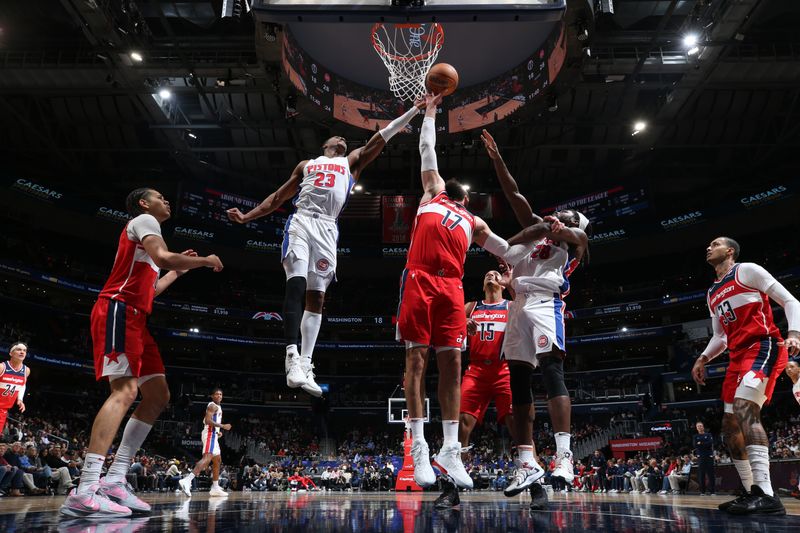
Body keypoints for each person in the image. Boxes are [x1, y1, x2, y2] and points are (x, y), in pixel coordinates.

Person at [399, 93, 562, 493]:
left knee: (453, 365)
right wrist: (431, 113)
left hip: (452, 287)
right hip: (419, 279)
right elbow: (426, 148)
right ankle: (419, 445)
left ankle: (450, 449)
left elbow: (507, 251)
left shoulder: (473, 222)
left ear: (468, 200)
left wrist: (540, 230)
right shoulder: (432, 192)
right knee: (417, 362)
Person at [226, 100, 428, 397]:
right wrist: (247, 216)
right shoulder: (306, 165)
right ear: (325, 145)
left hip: (328, 228)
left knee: (317, 298)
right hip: (302, 222)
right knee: (295, 284)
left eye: (346, 139)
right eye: (338, 137)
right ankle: (291, 356)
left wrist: (413, 111)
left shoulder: (352, 163)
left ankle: (306, 363)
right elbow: (277, 197)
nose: (343, 139)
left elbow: (383, 135)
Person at [61, 188, 224, 518]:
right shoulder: (144, 220)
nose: (167, 201)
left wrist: (179, 271)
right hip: (118, 310)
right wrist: (204, 261)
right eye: (160, 197)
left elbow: (154, 286)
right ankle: (86, 487)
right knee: (126, 390)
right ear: (142, 203)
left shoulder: (147, 247)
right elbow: (164, 257)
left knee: (158, 395)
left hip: (138, 316)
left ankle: (115, 479)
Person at [480, 129, 590, 495]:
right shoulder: (539, 232)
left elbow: (580, 238)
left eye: (567, 216)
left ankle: (563, 455)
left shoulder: (572, 245)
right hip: (518, 307)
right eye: (559, 214)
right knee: (519, 382)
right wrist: (497, 157)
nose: (559, 216)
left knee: (552, 371)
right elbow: (513, 194)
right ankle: (526, 461)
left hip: (546, 304)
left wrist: (560, 229)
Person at [692, 236, 799, 515]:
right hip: (737, 357)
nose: (708, 247)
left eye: (714, 244)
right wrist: (703, 357)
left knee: (744, 409)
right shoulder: (712, 292)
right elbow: (720, 337)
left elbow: (791, 301)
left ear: (729, 251)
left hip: (763, 346)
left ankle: (767, 494)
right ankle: (752, 491)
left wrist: (794, 333)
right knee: (729, 426)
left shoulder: (746, 270)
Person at [435, 270, 518, 509]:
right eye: (486, 275)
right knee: (460, 424)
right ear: (483, 286)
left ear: (502, 283)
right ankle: (451, 489)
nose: (491, 275)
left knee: (517, 424)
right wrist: (463, 324)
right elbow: (447, 324)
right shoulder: (471, 306)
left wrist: (513, 286)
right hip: (477, 370)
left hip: (505, 368)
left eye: (495, 274)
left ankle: (534, 485)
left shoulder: (512, 306)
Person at [179, 388, 232, 498]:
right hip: (209, 434)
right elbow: (208, 421)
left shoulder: (218, 407)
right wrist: (223, 426)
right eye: (216, 394)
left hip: (214, 435)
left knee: (217, 460)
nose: (219, 396)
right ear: (212, 396)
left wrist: (218, 433)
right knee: (207, 458)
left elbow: (211, 422)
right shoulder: (212, 405)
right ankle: (187, 481)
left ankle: (215, 488)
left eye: (221, 394)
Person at [0, 343, 30, 434]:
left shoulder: (26, 370)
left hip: (3, 410)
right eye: (19, 349)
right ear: (11, 353)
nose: (22, 352)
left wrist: (20, 399)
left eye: (24, 350)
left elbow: (22, 385)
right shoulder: (2, 367)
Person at [692, 422, 715, 495]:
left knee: (710, 474)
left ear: (703, 427)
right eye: (698, 426)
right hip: (701, 457)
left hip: (709, 456)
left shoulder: (708, 435)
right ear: (696, 428)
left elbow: (710, 443)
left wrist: (701, 443)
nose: (699, 427)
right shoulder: (695, 436)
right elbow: (696, 445)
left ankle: (712, 491)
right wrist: (704, 444)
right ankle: (702, 491)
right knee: (701, 474)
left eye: (700, 426)